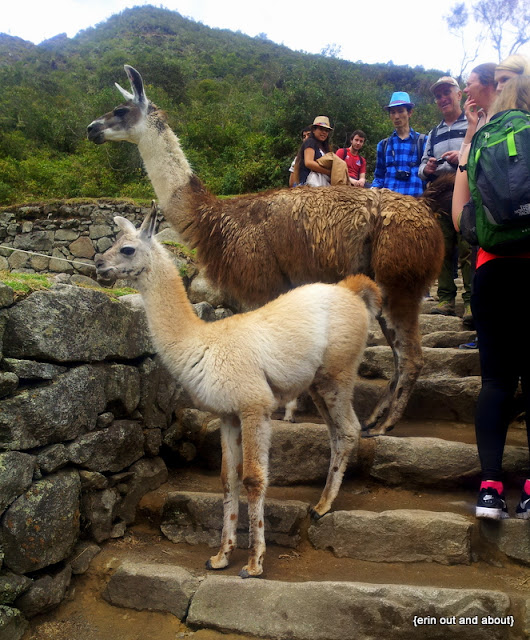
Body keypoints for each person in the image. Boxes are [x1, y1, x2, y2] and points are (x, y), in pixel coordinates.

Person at [452, 75, 530, 521]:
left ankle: (490, 488)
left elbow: (462, 220)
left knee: (497, 381)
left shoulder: (483, 139)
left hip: (492, 269)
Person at [419, 76, 472, 323]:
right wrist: (427, 169)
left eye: (446, 93)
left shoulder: (473, 123)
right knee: (441, 250)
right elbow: (421, 166)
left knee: (468, 247)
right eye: (438, 96)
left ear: (459, 94)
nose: (442, 99)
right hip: (439, 197)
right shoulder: (434, 133)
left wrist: (460, 159)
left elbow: (480, 157)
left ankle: (472, 301)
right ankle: (445, 299)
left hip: (467, 195)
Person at [372, 91, 426, 196]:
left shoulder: (423, 141)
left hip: (415, 205)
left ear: (410, 113)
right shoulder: (383, 145)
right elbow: (379, 177)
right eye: (393, 112)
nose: (396, 116)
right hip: (388, 206)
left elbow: (428, 177)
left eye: (401, 111)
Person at [294, 116, 333, 186]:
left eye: (326, 131)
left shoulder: (325, 148)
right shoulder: (310, 142)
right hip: (309, 184)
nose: (324, 132)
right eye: (321, 129)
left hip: (322, 185)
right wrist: (328, 172)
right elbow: (309, 162)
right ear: (314, 130)